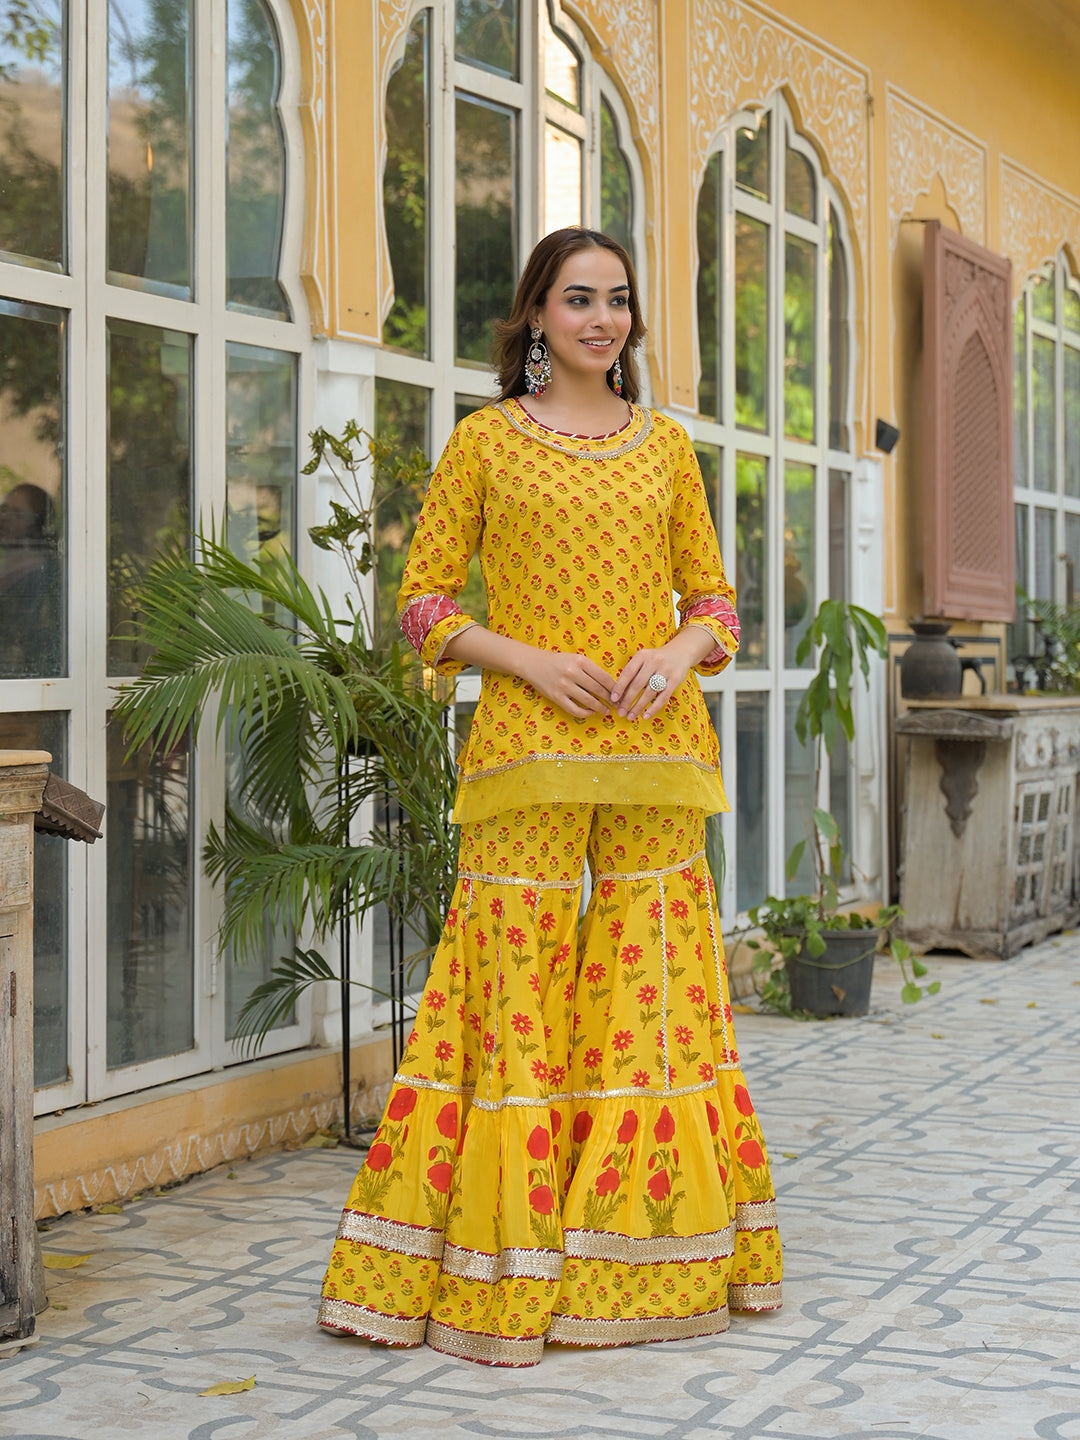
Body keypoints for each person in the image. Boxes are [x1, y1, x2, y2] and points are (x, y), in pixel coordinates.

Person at [319, 227, 782, 1366]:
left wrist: (678, 652)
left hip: (655, 743)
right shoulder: (486, 443)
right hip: (527, 742)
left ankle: (643, 1262)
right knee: (512, 983)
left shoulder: (666, 446)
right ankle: (503, 1265)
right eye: (578, 299)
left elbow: (717, 603)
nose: (601, 319)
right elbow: (425, 604)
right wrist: (528, 661)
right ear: (535, 315)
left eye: (617, 299)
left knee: (653, 987)